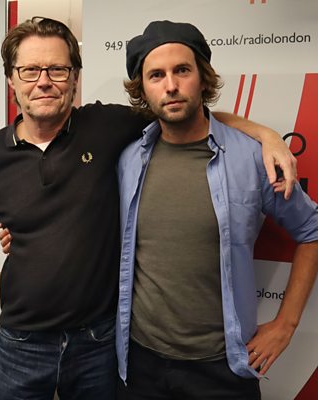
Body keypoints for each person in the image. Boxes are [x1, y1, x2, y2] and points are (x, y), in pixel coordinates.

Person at [0, 17, 297, 400]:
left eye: (58, 69)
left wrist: (266, 136)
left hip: (99, 345)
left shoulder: (107, 127)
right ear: (11, 79)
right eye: (30, 70)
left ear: (75, 77)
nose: (44, 81)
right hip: (27, 345)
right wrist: (2, 288)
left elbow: (185, 112)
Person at [116, 20, 318, 400]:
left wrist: (287, 324)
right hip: (140, 367)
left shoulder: (251, 157)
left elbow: (312, 230)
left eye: (182, 70)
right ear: (142, 88)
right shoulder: (128, 159)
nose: (171, 86)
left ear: (203, 78)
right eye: (156, 75)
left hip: (222, 371)